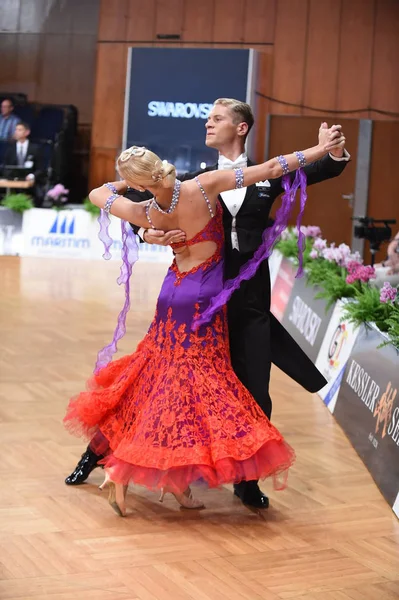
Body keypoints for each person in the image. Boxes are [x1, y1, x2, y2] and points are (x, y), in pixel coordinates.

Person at [66, 101, 349, 510]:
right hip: (201, 297)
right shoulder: (198, 179)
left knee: (249, 387)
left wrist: (332, 151)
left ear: (241, 127)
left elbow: (310, 170)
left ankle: (244, 481)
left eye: (216, 119)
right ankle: (100, 456)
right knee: (166, 382)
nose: (207, 124)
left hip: (245, 299)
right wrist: (149, 238)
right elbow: (148, 217)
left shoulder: (238, 177)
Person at [3, 122, 44, 203]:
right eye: (16, 130)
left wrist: (32, 176)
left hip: (31, 183)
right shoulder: (10, 150)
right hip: (14, 182)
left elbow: (41, 169)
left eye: (20, 130)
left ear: (27, 132)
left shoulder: (35, 149)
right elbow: (5, 167)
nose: (16, 132)